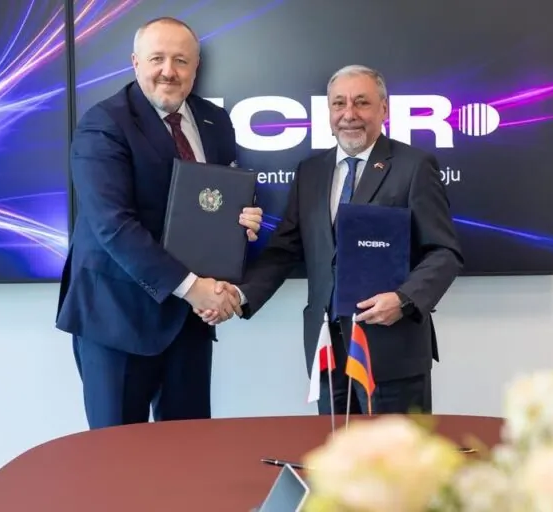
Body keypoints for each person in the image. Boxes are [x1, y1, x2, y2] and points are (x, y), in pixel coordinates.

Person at [198, 65, 463, 415]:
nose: (349, 114)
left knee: (396, 452)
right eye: (339, 103)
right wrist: (239, 294)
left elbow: (444, 252)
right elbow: (284, 250)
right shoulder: (311, 171)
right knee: (335, 449)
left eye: (362, 102)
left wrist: (404, 299)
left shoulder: (414, 166)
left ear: (384, 109)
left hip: (391, 351)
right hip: (327, 352)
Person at [55, 17, 263, 429]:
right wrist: (194, 288)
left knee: (189, 452)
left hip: (189, 322)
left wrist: (243, 220)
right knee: (118, 457)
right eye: (157, 59)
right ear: (135, 62)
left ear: (196, 67)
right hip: (117, 320)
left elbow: (216, 202)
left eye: (181, 60)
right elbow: (113, 225)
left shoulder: (214, 121)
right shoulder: (104, 124)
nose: (169, 71)